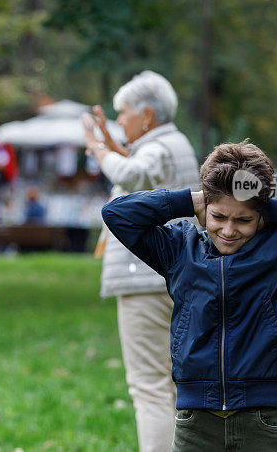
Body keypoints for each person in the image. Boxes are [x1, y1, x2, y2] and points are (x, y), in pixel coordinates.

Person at [101, 141, 277, 451]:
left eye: (243, 219)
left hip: (265, 420)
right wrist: (189, 200)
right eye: (219, 216)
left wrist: (268, 206)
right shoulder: (179, 250)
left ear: (260, 216)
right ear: (205, 209)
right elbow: (117, 213)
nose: (228, 230)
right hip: (195, 422)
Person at [82, 71, 200, 452]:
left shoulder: (160, 146)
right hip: (167, 276)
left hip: (144, 281)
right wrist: (113, 145)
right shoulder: (170, 144)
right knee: (169, 385)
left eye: (122, 114)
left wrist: (98, 149)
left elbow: (134, 175)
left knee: (149, 388)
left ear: (146, 115)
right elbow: (144, 172)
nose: (119, 122)